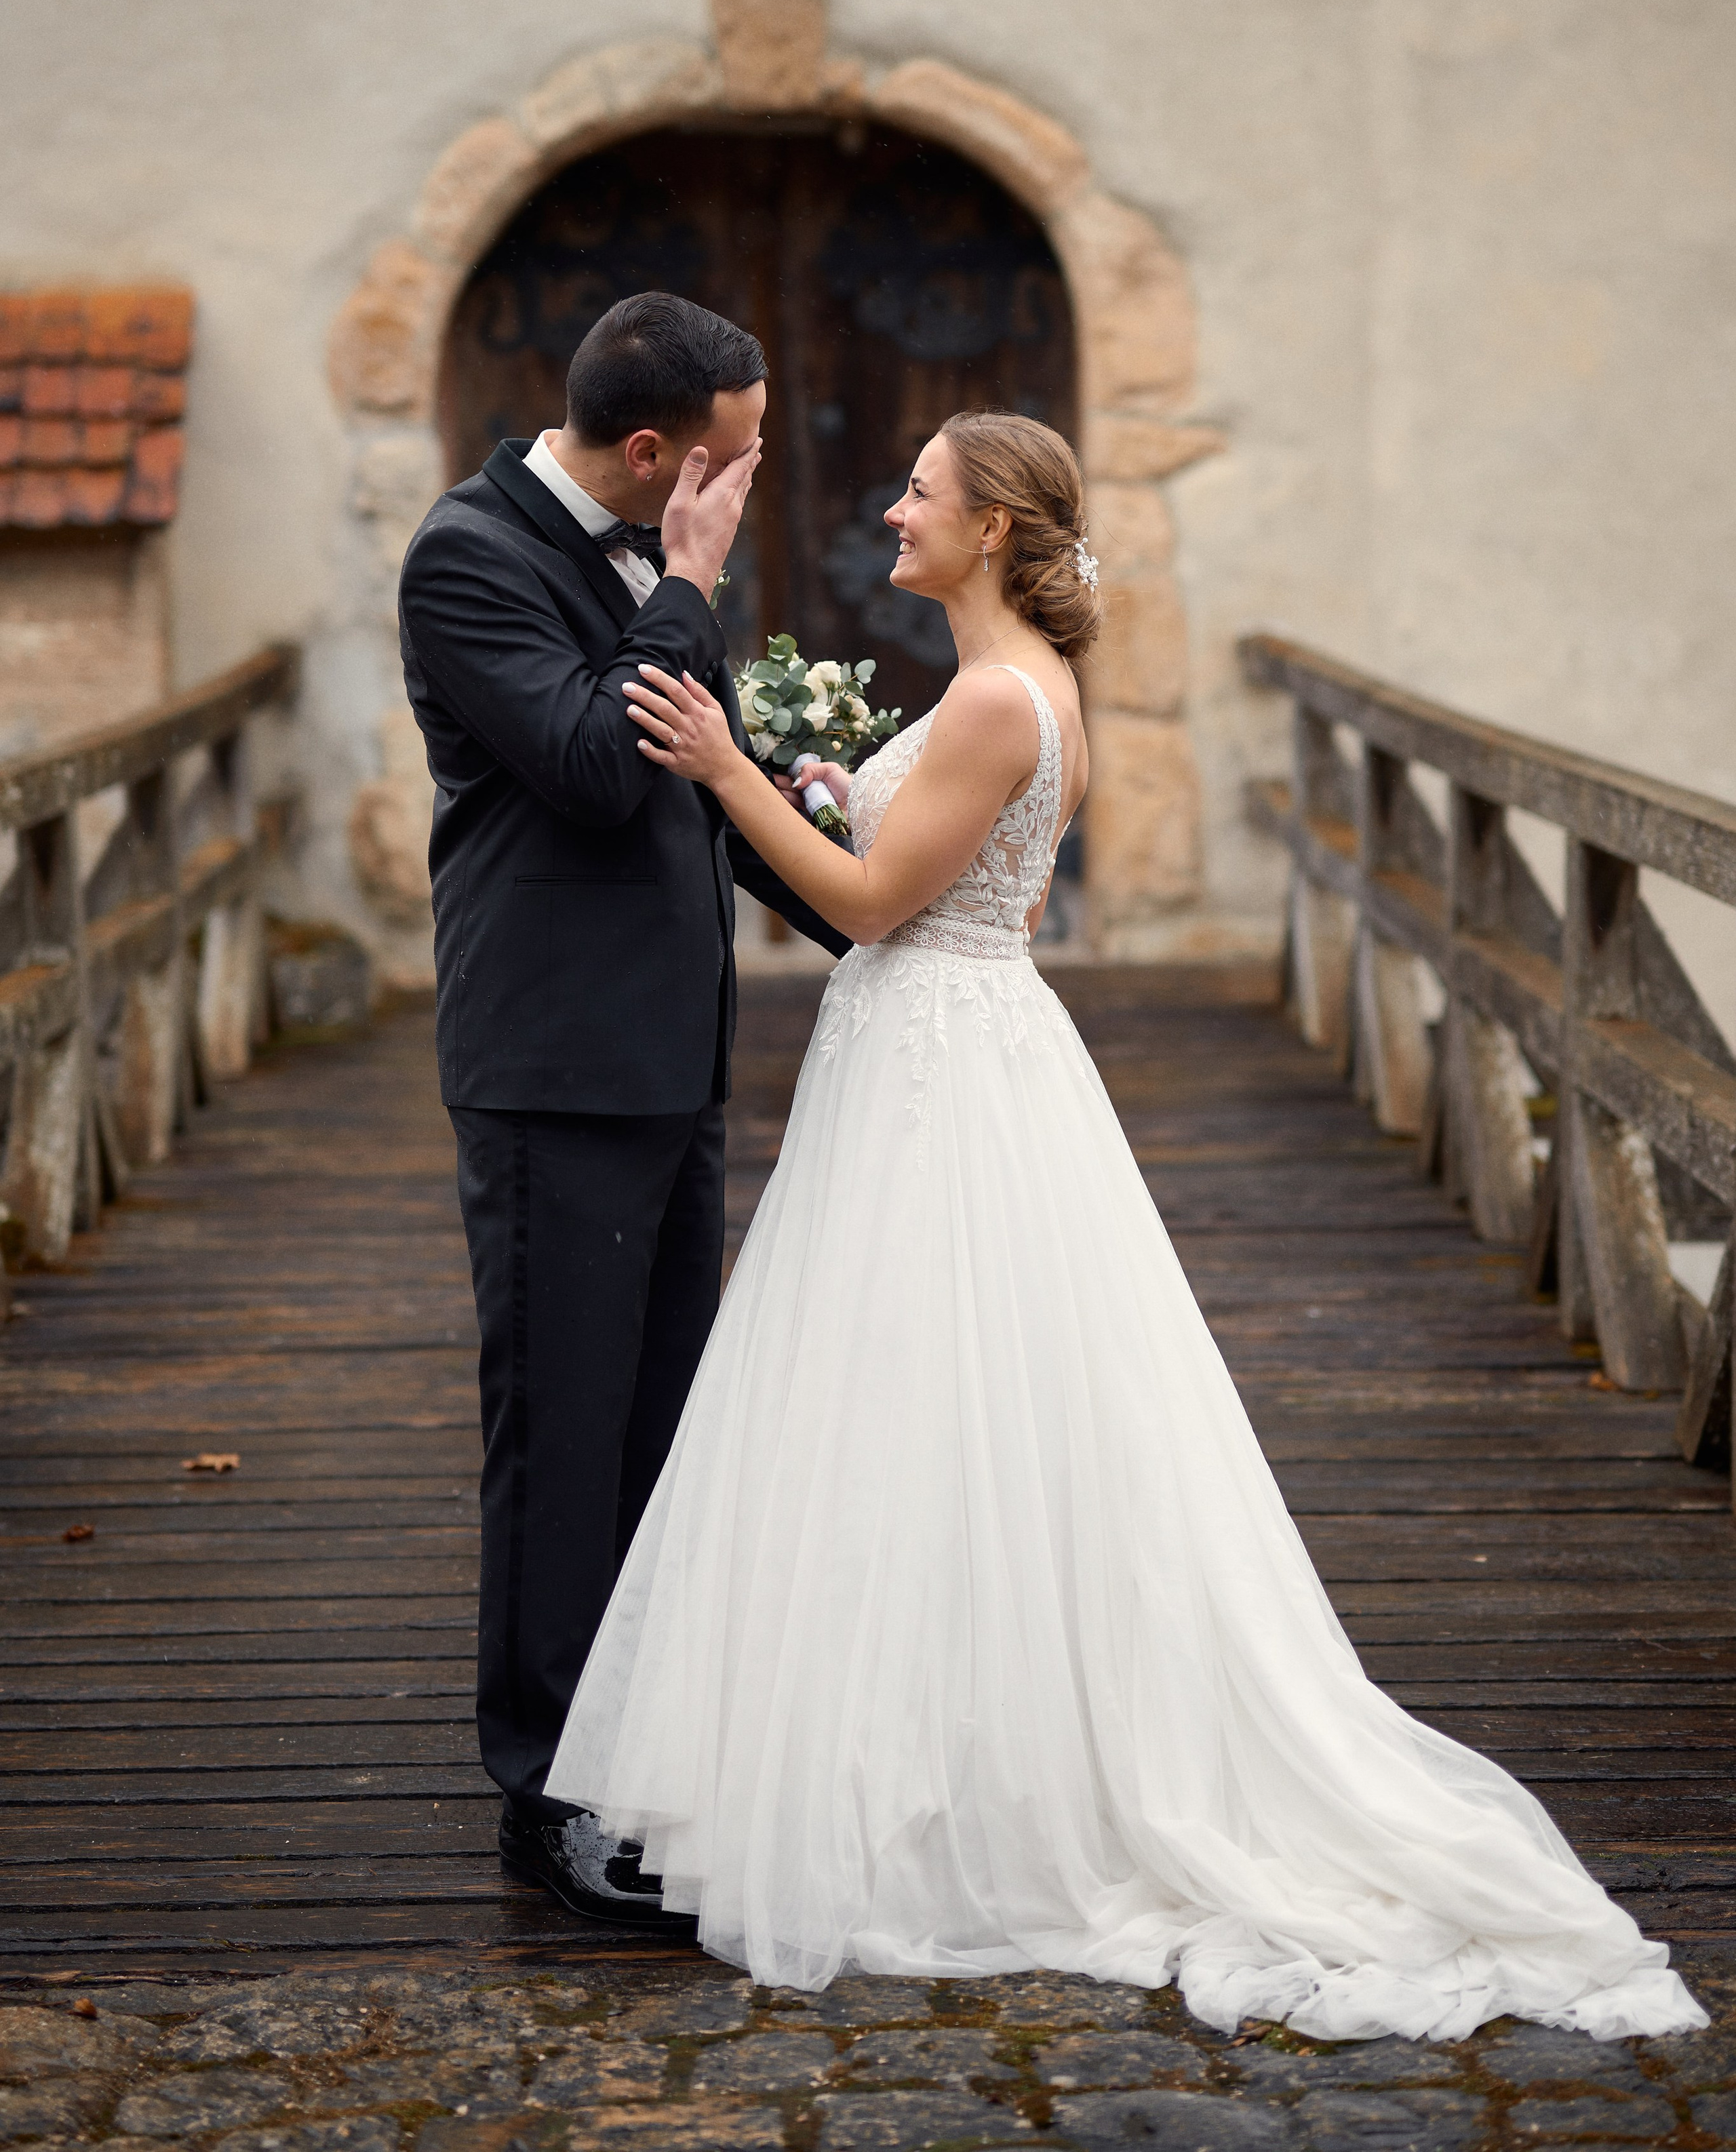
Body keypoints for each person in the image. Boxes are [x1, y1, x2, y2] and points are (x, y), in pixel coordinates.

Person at [545, 409, 1703, 2042]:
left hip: (937, 1063)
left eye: (921, 495)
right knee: (934, 1410)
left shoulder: (998, 699)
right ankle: (930, 1743)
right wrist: (822, 782)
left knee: (906, 1400)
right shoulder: (1015, 696)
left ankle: (933, 1784)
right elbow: (911, 861)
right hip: (950, 1051)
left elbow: (873, 909)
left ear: (995, 531)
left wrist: (730, 768)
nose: (892, 509)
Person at [397, 292, 848, 1928]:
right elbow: (599, 760)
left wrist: (862, 889)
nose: (742, 486)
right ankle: (545, 1793)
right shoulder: (470, 556)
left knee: (660, 1429)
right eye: (725, 463)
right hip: (551, 1065)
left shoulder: (645, 563)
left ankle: (645, 1749)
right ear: (654, 454)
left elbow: (697, 769)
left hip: (672, 1057)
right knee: (560, 1430)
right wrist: (692, 581)